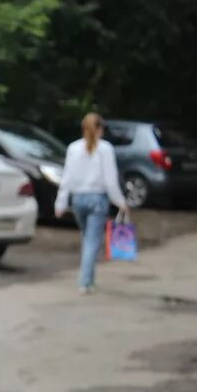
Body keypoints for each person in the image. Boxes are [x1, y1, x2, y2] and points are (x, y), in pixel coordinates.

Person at [54, 112, 129, 294]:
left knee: (87, 238)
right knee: (92, 241)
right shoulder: (105, 149)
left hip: (78, 199)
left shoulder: (73, 148)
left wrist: (61, 203)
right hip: (98, 200)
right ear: (100, 129)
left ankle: (90, 279)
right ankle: (85, 282)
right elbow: (110, 179)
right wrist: (120, 201)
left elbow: (67, 177)